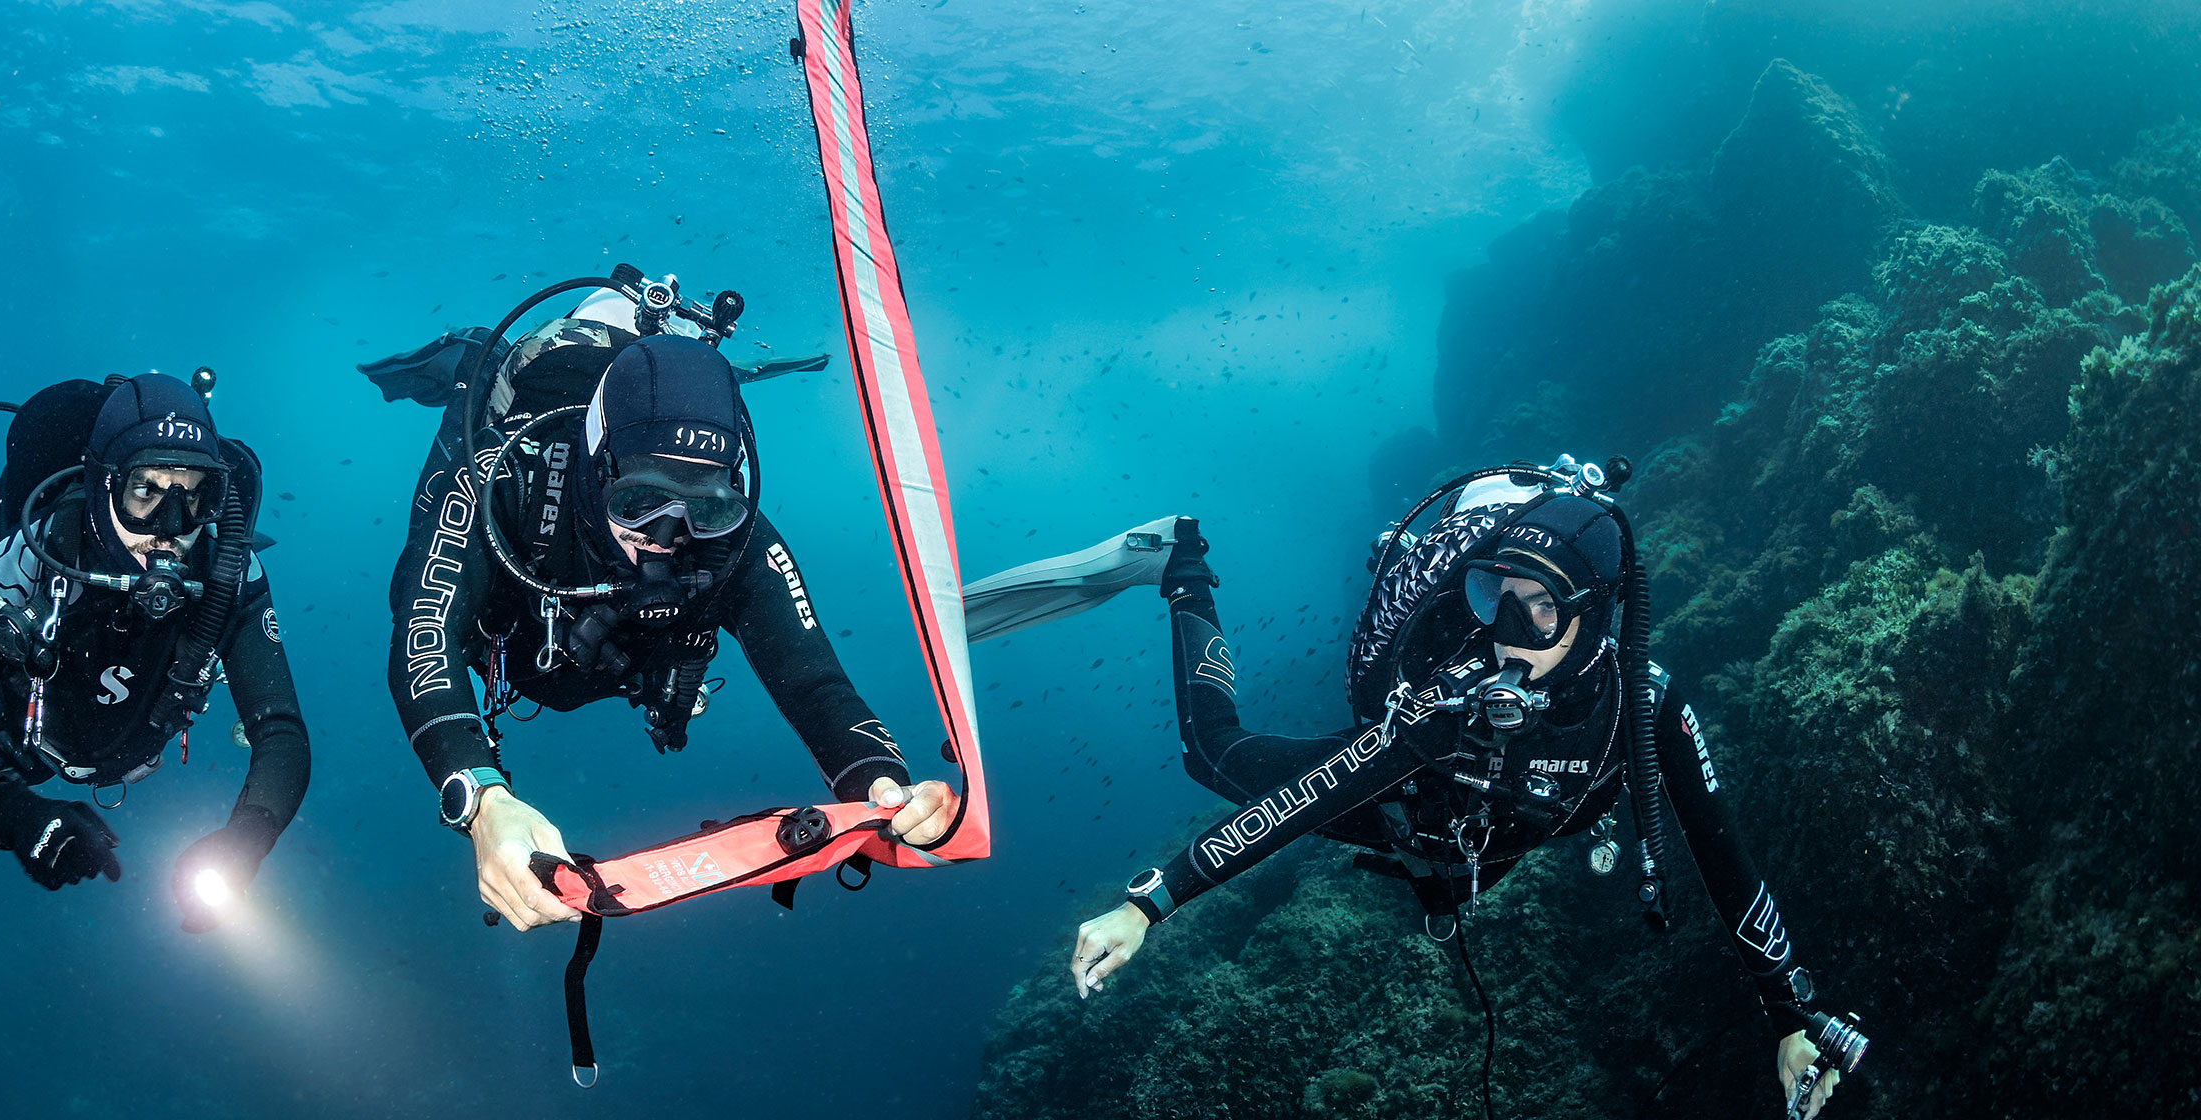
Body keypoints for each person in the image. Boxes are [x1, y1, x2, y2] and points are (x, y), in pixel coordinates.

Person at [1065, 462, 1860, 1119]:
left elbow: (1730, 862)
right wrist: (1151, 903)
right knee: (1212, 754)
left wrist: (1789, 1018)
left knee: (1446, 882)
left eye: (1542, 607)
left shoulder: (1646, 706)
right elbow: (1312, 795)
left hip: (1481, 844)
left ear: (1598, 616)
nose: (1510, 630)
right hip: (1397, 808)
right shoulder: (1456, 696)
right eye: (1496, 595)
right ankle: (1183, 570)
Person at [383, 321, 954, 932]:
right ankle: (475, 358)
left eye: (705, 508)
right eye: (638, 505)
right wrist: (482, 799)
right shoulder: (499, 480)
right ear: (595, 471)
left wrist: (884, 784)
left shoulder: (738, 543)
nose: (667, 542)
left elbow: (816, 686)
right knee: (474, 396)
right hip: (517, 623)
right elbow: (424, 630)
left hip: (605, 654)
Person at [0, 372, 310, 933]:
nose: (170, 530)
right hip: (31, 751)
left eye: (192, 496)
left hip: (145, 746)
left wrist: (246, 841)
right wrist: (14, 815)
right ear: (102, 484)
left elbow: (282, 733)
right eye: (145, 491)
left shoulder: (228, 573)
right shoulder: (30, 560)